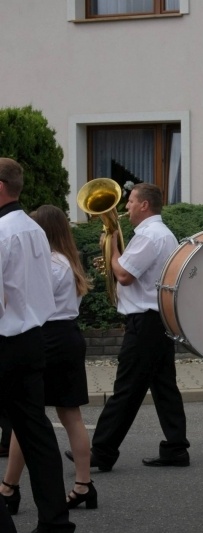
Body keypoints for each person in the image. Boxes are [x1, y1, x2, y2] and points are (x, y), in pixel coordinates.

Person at [65, 183, 190, 471]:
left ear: (145, 205)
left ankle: (103, 451)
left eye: (131, 201)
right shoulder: (161, 233)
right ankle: (176, 447)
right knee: (164, 386)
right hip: (156, 320)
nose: (126, 207)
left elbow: (123, 275)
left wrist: (112, 250)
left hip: (145, 322)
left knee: (126, 388)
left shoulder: (149, 236)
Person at [2, 206, 96, 513]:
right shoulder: (70, 262)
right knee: (71, 415)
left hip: (47, 336)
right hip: (70, 336)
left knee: (26, 418)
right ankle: (84, 485)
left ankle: (9, 487)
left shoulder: (51, 263)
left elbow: (28, 301)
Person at [0, 158, 75, 532]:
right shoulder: (33, 228)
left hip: (5, 342)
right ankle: (56, 522)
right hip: (33, 339)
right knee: (37, 434)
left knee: (32, 431)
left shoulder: (2, 231)